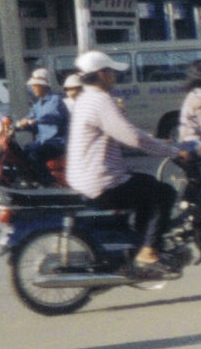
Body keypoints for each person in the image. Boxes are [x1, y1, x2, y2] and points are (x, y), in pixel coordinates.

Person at [65, 51, 186, 275]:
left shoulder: (84, 99)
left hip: (85, 178)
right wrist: (173, 152)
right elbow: (134, 138)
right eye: (112, 72)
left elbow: (122, 133)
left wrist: (157, 142)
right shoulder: (100, 100)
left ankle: (139, 246)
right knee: (164, 193)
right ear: (102, 74)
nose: (115, 76)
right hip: (101, 182)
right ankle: (147, 253)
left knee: (147, 184)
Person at [18, 68, 69, 164]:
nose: (33, 88)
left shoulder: (55, 100)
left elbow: (52, 116)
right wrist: (18, 125)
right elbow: (30, 117)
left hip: (56, 142)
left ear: (43, 86)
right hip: (42, 141)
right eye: (32, 86)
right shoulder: (38, 104)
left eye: (35, 85)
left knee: (35, 154)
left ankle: (44, 175)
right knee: (22, 152)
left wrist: (34, 121)